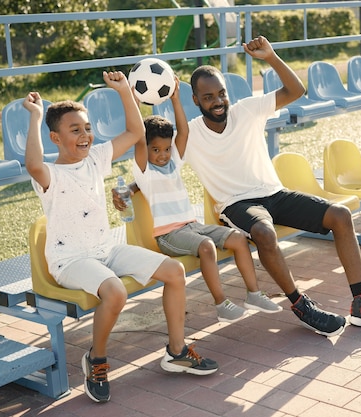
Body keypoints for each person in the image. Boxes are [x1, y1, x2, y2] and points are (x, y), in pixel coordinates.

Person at [183, 36, 361, 336]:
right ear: (195, 100)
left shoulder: (246, 110)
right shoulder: (189, 134)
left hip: (275, 194)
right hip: (238, 204)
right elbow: (155, 158)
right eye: (208, 97)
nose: (218, 101)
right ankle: (300, 304)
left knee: (340, 215)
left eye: (221, 93)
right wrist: (129, 190)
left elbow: (296, 90)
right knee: (264, 232)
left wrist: (271, 57)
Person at [23, 70, 218, 404]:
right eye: (75, 131)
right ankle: (96, 360)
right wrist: (36, 118)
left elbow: (135, 131)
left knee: (175, 271)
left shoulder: (96, 159)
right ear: (55, 138)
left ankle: (176, 351)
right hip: (70, 260)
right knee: (114, 292)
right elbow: (31, 162)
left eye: (87, 128)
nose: (85, 136)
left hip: (105, 249)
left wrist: (126, 91)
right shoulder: (49, 175)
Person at [129, 77, 283, 323]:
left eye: (166, 149)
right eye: (155, 150)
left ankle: (253, 294)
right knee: (207, 247)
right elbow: (137, 135)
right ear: (146, 150)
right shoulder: (144, 172)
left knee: (239, 239)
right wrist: (133, 102)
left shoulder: (174, 162)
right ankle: (221, 304)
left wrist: (176, 98)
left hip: (192, 226)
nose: (163, 155)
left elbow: (185, 131)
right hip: (169, 235)